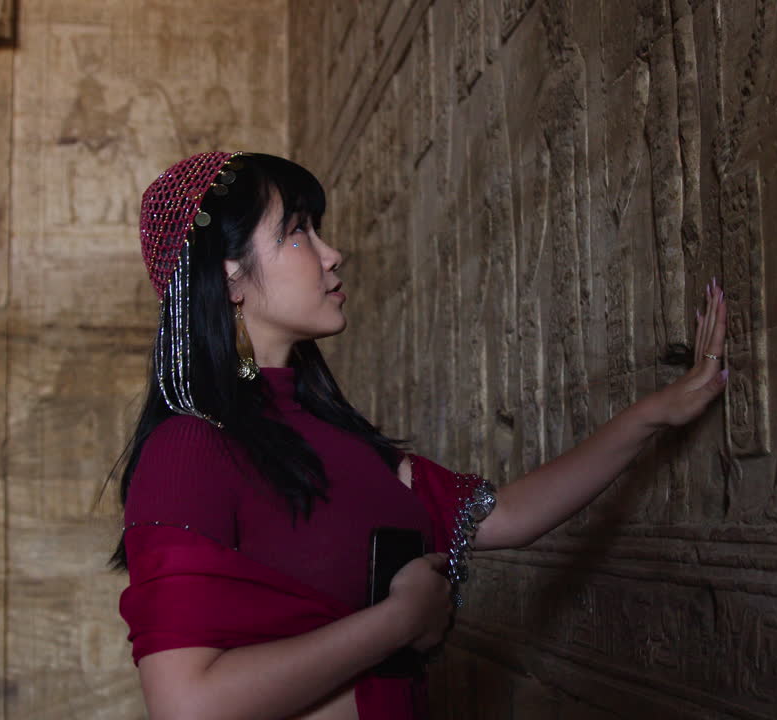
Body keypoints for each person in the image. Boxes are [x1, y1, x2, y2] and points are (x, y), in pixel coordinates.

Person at [111, 151, 730, 720]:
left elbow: (504, 514)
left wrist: (654, 414)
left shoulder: (340, 441)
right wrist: (399, 620)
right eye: (298, 231)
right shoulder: (187, 449)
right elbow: (187, 705)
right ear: (230, 277)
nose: (332, 254)